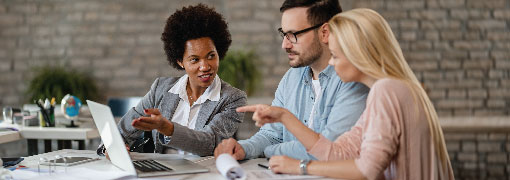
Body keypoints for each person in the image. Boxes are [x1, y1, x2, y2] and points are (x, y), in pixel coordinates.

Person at [238, 8, 455, 179]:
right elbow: (339, 152)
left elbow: (367, 170)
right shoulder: (392, 89)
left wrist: (300, 166)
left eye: (335, 55)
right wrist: (284, 116)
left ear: (358, 54)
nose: (331, 63)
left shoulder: (385, 91)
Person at [214, 0, 369, 161]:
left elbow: (329, 150)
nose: (285, 44)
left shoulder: (353, 79)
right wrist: (244, 148)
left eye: (294, 34)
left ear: (325, 32)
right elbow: (272, 134)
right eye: (284, 33)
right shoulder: (292, 77)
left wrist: (269, 150)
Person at [97, 4, 247, 157]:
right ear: (180, 61)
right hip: (161, 171)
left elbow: (209, 143)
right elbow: (122, 131)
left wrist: (169, 129)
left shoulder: (233, 98)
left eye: (211, 56)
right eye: (195, 60)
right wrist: (110, 148)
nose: (205, 66)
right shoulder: (161, 89)